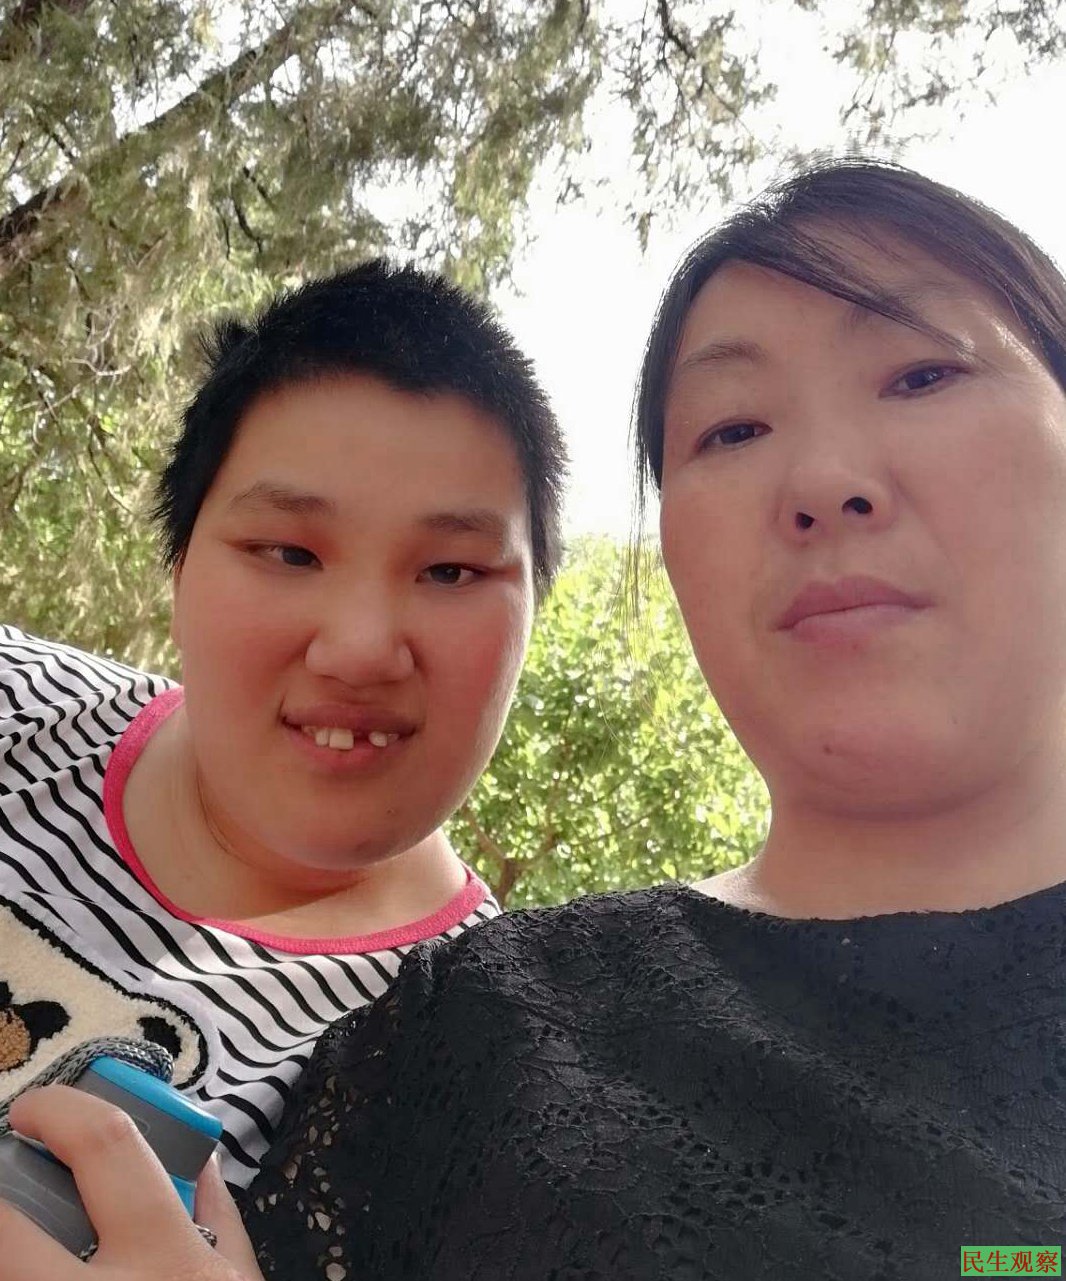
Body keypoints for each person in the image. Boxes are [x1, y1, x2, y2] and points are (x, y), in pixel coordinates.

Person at [5, 155, 1066, 1281]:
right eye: (733, 429)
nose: (824, 478)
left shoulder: (408, 1033)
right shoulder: (486, 1034)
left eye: (921, 373)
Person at [0, 259, 566, 1188]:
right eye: (291, 552)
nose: (360, 649)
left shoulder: (481, 1091)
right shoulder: (17, 704)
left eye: (451, 571)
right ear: (180, 562)